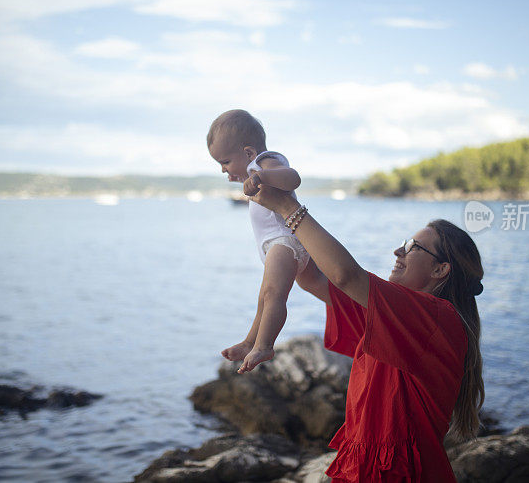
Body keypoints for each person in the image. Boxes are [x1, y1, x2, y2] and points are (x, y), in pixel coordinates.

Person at [247, 183, 485, 482]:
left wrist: (288, 208)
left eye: (412, 246)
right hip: (365, 469)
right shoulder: (391, 318)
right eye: (405, 242)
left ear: (440, 270)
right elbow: (311, 278)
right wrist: (274, 220)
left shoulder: (438, 319)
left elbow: (345, 275)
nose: (398, 250)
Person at [207, 109, 311, 373]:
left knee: (274, 295)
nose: (223, 170)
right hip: (275, 245)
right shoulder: (255, 168)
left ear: (249, 153)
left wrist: (261, 176)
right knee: (264, 298)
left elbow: (293, 177)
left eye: (226, 161)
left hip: (286, 241)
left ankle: (265, 344)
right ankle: (250, 341)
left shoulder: (266, 162)